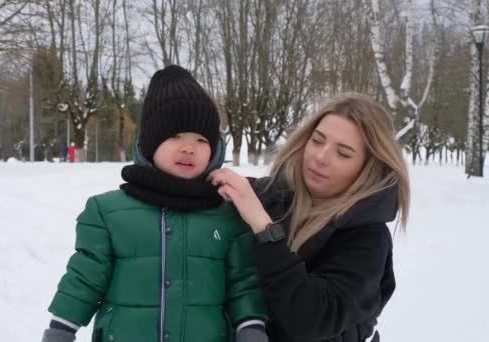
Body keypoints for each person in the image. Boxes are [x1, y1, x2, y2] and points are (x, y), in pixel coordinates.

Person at [42, 65, 268, 342]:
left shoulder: (227, 216)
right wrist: (61, 329)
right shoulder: (107, 213)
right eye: (174, 136)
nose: (189, 148)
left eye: (201, 139)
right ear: (149, 142)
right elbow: (84, 278)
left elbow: (242, 283)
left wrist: (252, 326)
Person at [208, 92, 410, 342]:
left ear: (368, 168)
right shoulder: (268, 195)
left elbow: (309, 319)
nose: (321, 157)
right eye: (318, 140)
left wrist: (264, 228)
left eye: (343, 153)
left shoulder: (367, 237)